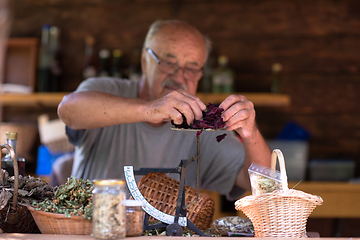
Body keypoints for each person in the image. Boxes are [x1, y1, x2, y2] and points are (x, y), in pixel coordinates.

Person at [57, 19, 271, 201]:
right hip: (91, 229)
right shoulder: (103, 90)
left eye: (192, 69)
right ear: (144, 61)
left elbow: (265, 187)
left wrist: (250, 133)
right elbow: (67, 110)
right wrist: (151, 109)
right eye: (169, 63)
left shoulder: (201, 125)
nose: (179, 77)